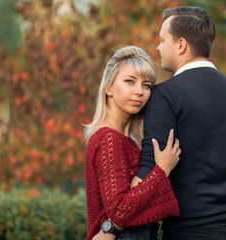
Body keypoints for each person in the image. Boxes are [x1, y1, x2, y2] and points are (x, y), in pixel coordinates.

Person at [131, 6, 226, 240]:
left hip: (193, 231)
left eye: (162, 40)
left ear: (181, 45)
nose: (158, 47)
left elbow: (150, 171)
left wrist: (113, 219)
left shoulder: (165, 95)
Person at [84, 46, 181, 240]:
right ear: (108, 87)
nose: (139, 92)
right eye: (130, 81)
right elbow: (119, 210)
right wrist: (162, 169)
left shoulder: (127, 140)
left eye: (146, 85)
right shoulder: (108, 138)